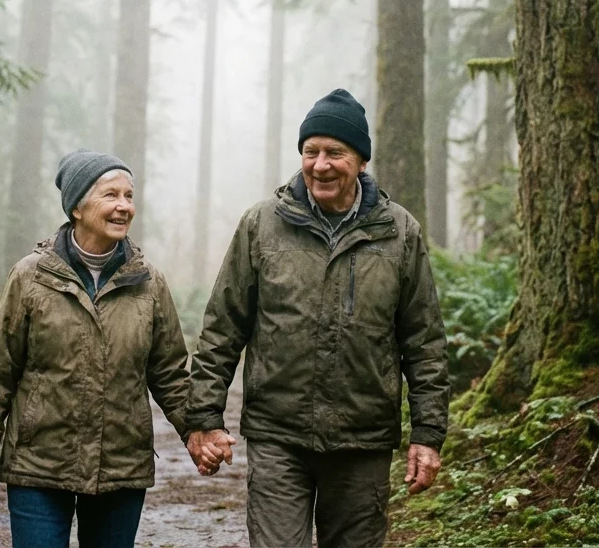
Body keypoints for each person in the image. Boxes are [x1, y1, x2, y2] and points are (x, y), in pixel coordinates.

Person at [186, 88, 451, 548]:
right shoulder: (261, 225)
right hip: (278, 435)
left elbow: (423, 341)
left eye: (336, 153)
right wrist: (204, 417)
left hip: (362, 439)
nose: (321, 165)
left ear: (361, 161)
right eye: (311, 152)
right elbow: (223, 328)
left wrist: (428, 434)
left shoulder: (399, 231)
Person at [0, 150, 190, 548]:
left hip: (120, 467)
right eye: (111, 195)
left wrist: (199, 432)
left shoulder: (148, 282)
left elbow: (169, 374)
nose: (124, 207)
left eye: (129, 196)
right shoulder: (30, 277)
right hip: (38, 466)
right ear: (77, 207)